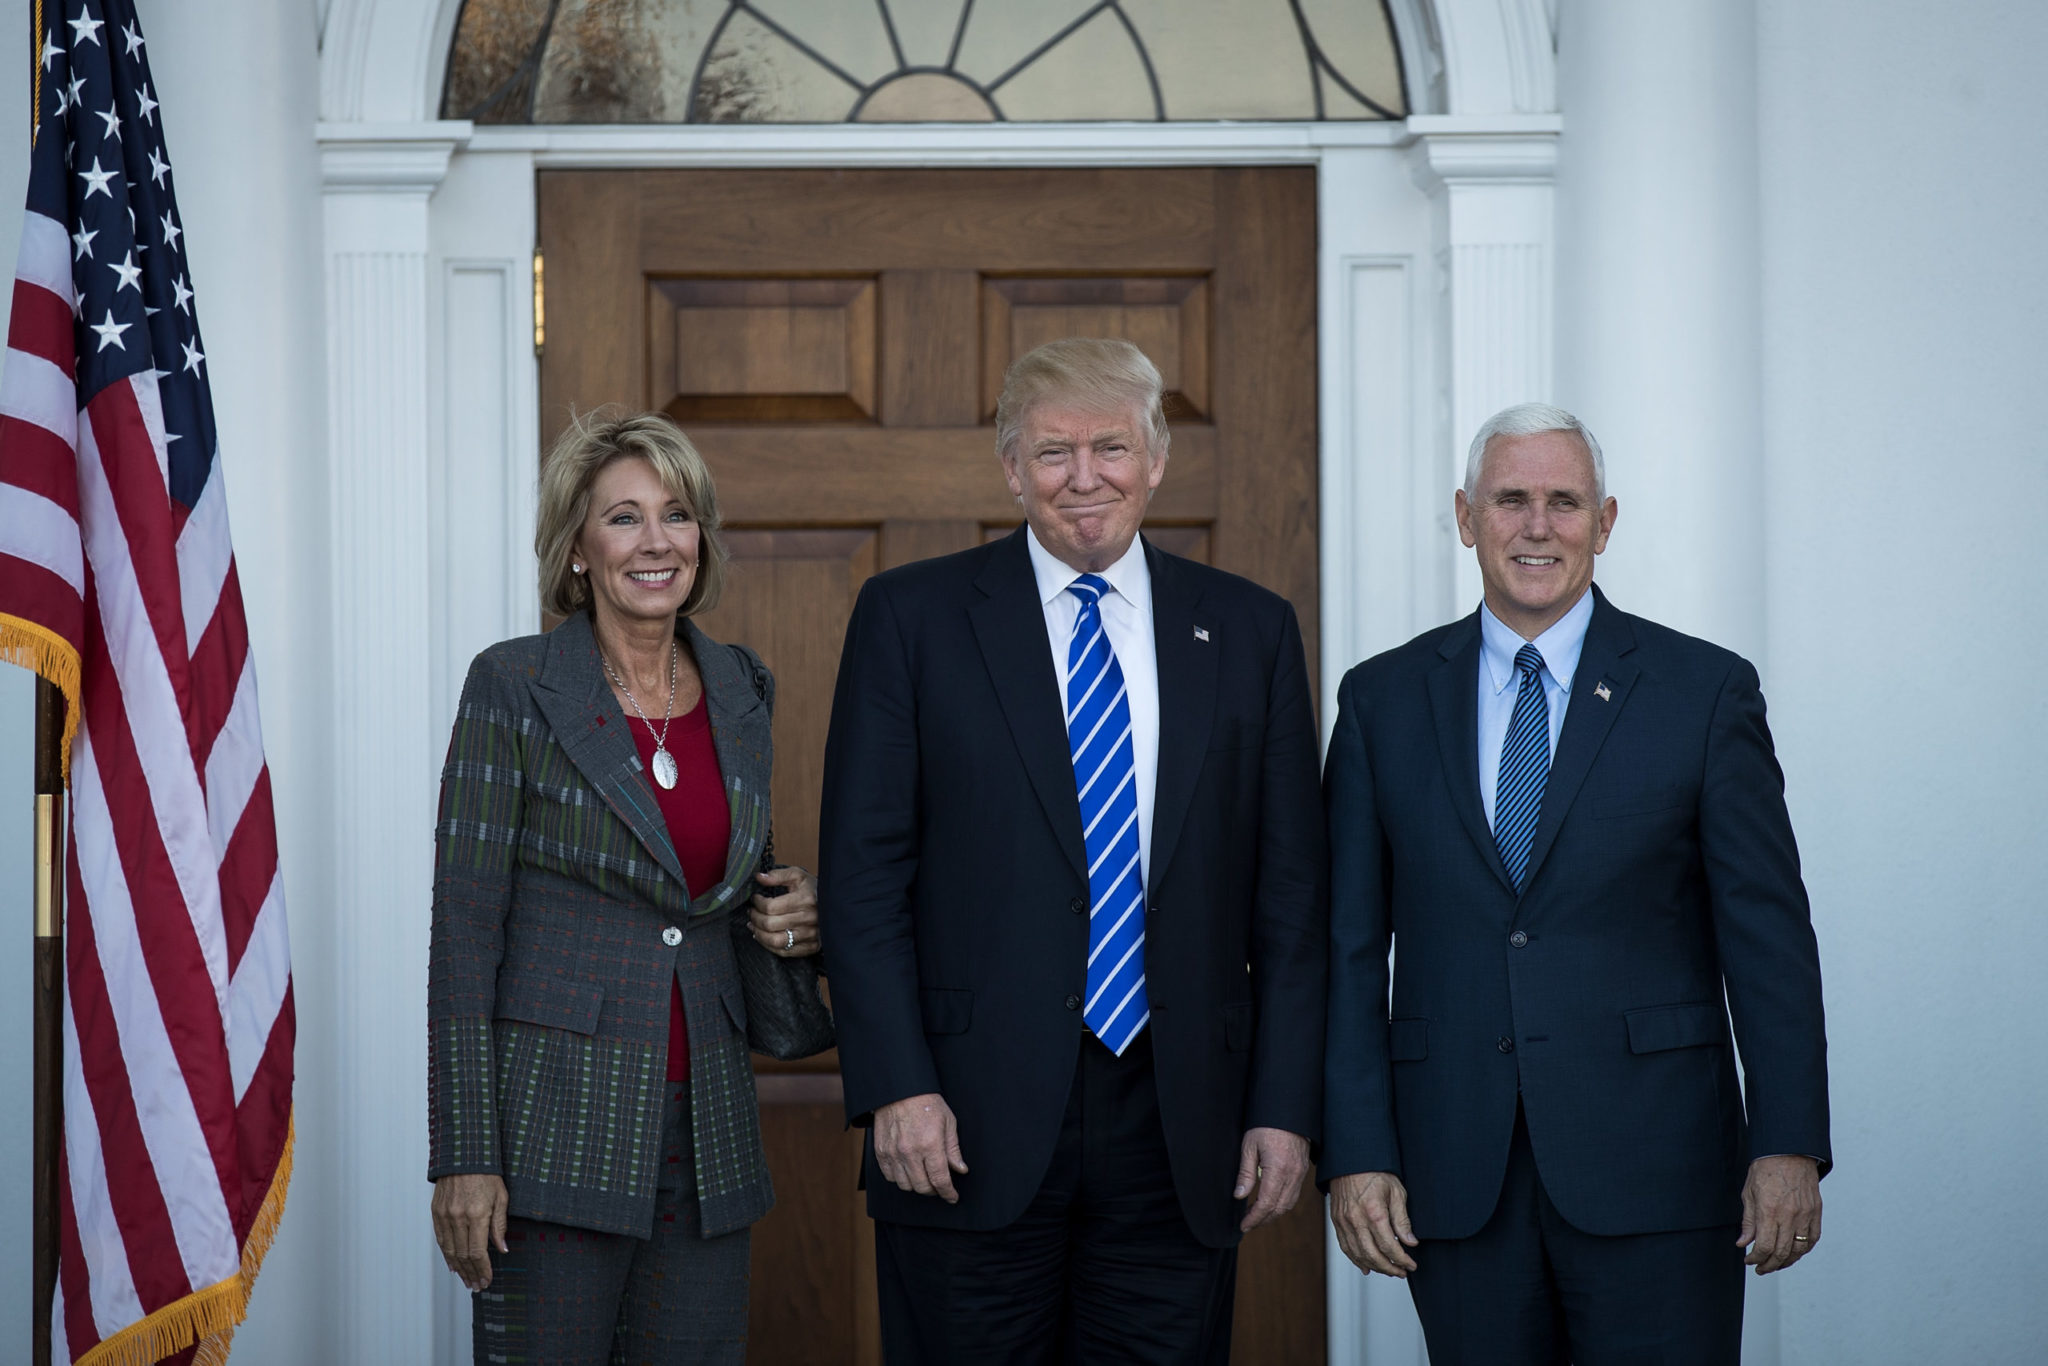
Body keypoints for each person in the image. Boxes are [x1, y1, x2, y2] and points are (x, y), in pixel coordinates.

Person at [819, 337, 1327, 1364]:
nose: (1083, 477)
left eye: (1110, 447)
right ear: (1010, 468)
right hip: (958, 1121)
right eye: (1053, 452)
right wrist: (894, 1085)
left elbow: (1290, 901)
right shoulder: (909, 618)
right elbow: (862, 876)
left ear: (1155, 460)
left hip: (1180, 1127)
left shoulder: (1248, 630)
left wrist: (1282, 1104)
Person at [1321, 403, 1831, 1363]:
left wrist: (1787, 1143)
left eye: (1565, 502)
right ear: (1467, 516)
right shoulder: (1380, 700)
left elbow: (1767, 937)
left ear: (1605, 522)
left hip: (1661, 1169)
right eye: (1512, 500)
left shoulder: (1703, 692)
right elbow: (1345, 950)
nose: (1538, 525)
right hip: (1456, 1174)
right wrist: (1356, 1151)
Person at [426, 410, 825, 1365]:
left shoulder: (739, 685)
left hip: (710, 1133)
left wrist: (793, 914)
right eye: (624, 518)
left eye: (678, 515)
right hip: (555, 1136)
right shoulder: (515, 685)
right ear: (575, 548)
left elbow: (730, 880)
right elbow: (466, 931)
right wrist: (465, 1154)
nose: (657, 543)